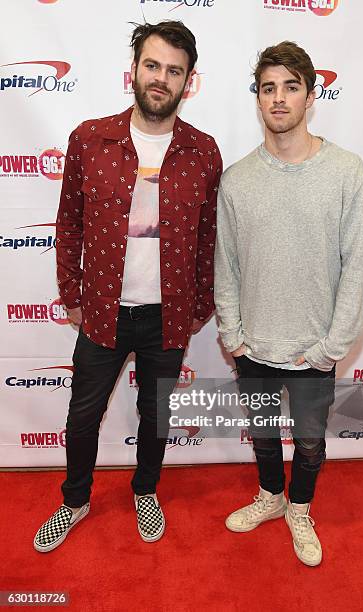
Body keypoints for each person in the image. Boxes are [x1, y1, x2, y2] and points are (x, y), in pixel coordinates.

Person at [34, 20, 222, 552]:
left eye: (174, 70)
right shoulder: (90, 139)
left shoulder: (204, 153)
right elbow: (68, 222)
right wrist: (71, 296)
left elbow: (208, 239)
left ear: (188, 81)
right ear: (134, 70)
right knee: (82, 414)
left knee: (156, 415)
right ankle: (74, 499)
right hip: (100, 311)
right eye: (153, 65)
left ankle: (145, 489)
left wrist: (198, 307)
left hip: (168, 315)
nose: (161, 78)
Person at [214, 41, 363, 566]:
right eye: (268, 88)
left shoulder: (347, 170)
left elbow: (358, 267)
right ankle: (270, 496)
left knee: (308, 445)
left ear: (311, 96)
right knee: (263, 437)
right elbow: (227, 264)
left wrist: (332, 347)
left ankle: (299, 507)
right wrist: (233, 336)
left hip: (315, 349)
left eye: (290, 87)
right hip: (253, 345)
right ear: (257, 100)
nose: (278, 99)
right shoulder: (236, 180)